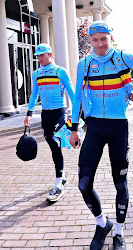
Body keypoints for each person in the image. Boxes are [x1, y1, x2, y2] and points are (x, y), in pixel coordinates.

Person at [69, 21, 133, 250]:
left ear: (111, 38)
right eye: (95, 40)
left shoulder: (123, 57)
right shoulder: (84, 63)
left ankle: (119, 233)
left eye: (104, 38)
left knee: (120, 183)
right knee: (84, 183)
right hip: (93, 127)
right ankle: (102, 224)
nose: (100, 44)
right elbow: (76, 96)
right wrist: (74, 129)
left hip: (118, 128)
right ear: (89, 41)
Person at [24, 43, 75, 201]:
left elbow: (72, 93)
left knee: (56, 143)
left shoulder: (60, 71)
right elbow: (34, 95)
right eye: (38, 56)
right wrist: (29, 114)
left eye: (42, 55)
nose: (39, 58)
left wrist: (77, 115)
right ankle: (62, 174)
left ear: (50, 54)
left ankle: (58, 183)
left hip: (59, 111)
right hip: (45, 114)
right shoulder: (36, 73)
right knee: (52, 146)